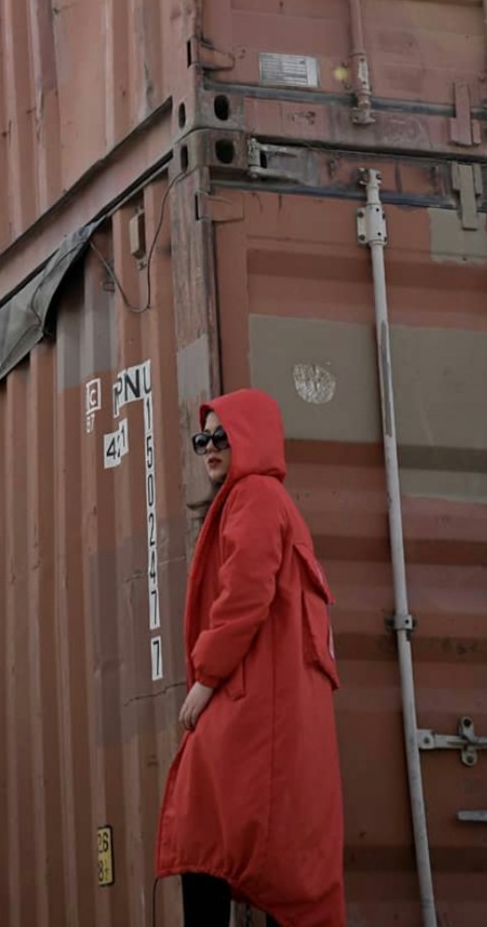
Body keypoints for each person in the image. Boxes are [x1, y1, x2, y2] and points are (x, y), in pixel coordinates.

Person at [156, 389, 345, 927]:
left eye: (222, 436)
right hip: (263, 706)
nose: (210, 448)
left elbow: (245, 592)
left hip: (253, 707)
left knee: (203, 829)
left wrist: (207, 678)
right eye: (203, 438)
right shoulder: (258, 499)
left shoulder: (255, 496)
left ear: (252, 438)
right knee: (227, 839)